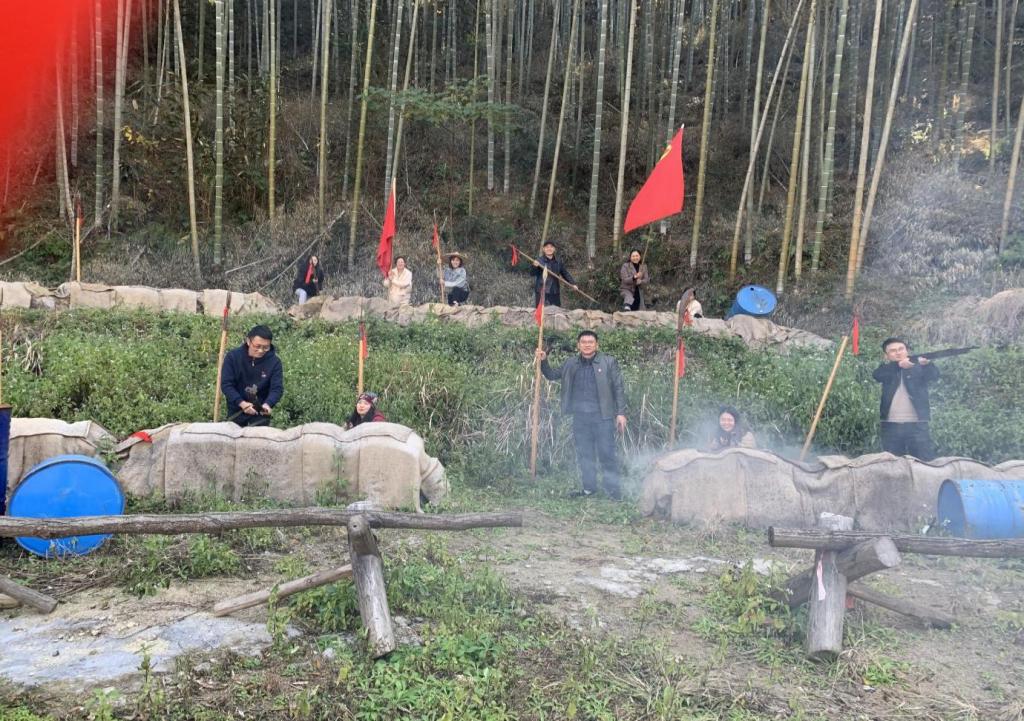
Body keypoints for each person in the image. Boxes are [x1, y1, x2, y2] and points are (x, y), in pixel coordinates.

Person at [537, 330, 627, 499]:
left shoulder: (608, 362)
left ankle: (613, 492)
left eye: (590, 342)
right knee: (585, 454)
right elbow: (551, 375)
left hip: (603, 417)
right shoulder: (571, 363)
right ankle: (589, 489)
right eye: (583, 342)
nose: (587, 345)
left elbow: (618, 388)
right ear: (578, 345)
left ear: (596, 345)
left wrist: (621, 413)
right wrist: (543, 361)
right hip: (580, 418)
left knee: (607, 454)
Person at [873, 337, 939, 461]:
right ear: (886, 356)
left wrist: (927, 364)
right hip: (891, 424)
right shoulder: (886, 369)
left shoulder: (918, 367)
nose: (898, 352)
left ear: (907, 351)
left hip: (917, 424)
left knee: (924, 461)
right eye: (893, 351)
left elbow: (934, 375)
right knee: (892, 463)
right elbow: (877, 375)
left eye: (901, 349)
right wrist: (899, 365)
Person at [220, 325, 284, 427]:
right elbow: (226, 385)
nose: (261, 350)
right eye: (257, 346)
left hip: (260, 412)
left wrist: (268, 404)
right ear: (248, 341)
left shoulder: (274, 362)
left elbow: (277, 388)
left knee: (259, 435)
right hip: (236, 409)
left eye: (266, 347)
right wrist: (241, 403)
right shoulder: (233, 357)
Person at [532, 240, 577, 307]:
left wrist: (573, 283)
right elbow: (532, 273)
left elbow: (565, 273)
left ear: (554, 249)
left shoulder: (558, 261)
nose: (549, 249)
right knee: (542, 312)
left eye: (551, 247)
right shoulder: (539, 261)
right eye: (547, 247)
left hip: (555, 291)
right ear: (543, 249)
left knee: (557, 310)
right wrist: (534, 266)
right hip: (542, 291)